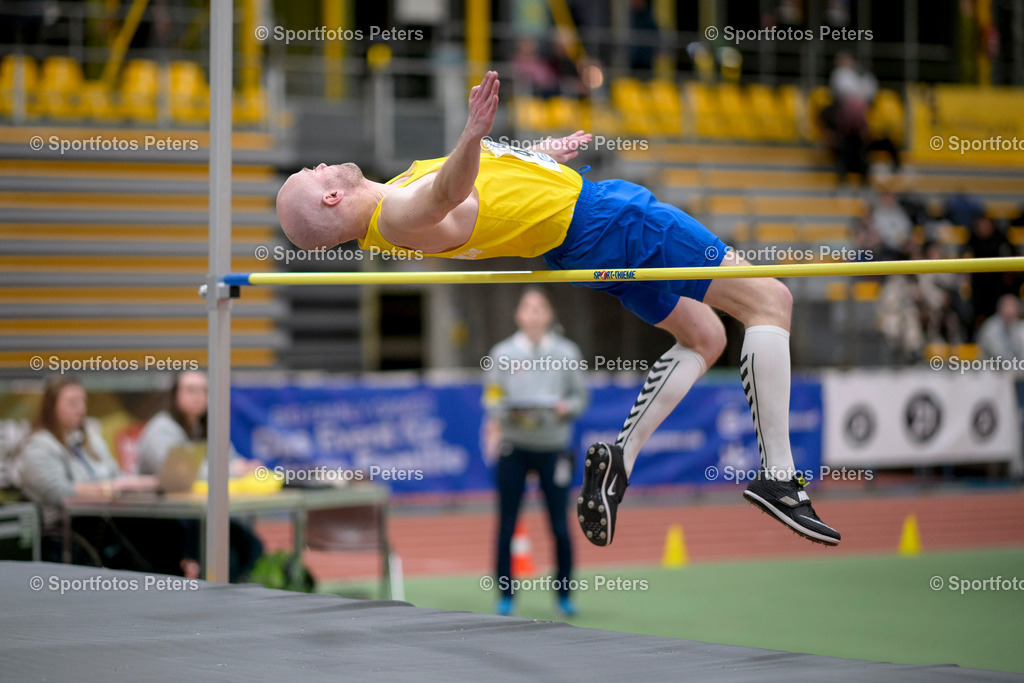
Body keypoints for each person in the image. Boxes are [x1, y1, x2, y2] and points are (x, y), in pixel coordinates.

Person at [275, 71, 841, 548]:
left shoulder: (392, 198)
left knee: (705, 338)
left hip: (576, 241)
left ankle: (621, 458)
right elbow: (448, 193)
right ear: (329, 198)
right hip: (608, 220)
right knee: (771, 299)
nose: (323, 164)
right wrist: (472, 133)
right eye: (314, 173)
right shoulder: (397, 211)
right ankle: (779, 477)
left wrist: (536, 158)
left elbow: (478, 198)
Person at [483, 288, 588, 617]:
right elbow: (491, 397)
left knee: (559, 525)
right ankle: (506, 595)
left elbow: (580, 398)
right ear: (518, 315)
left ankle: (564, 595)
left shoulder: (567, 353)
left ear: (550, 314)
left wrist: (564, 407)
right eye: (527, 307)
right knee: (507, 524)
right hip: (513, 447)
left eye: (540, 307)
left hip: (554, 447)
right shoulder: (501, 353)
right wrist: (506, 411)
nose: (533, 313)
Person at [15, 375, 188, 573]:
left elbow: (116, 475)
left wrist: (147, 483)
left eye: (83, 401)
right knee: (150, 537)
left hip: (106, 519)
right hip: (70, 530)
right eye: (72, 403)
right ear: (51, 406)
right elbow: (60, 493)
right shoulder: (38, 447)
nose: (80, 408)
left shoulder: (89, 438)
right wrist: (107, 488)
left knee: (169, 528)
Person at [136, 370, 264, 582]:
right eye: (191, 390)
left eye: (204, 391)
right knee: (226, 558)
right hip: (163, 519)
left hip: (200, 515)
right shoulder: (161, 430)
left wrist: (244, 466)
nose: (198, 396)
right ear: (175, 394)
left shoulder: (209, 426)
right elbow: (180, 474)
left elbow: (230, 458)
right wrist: (232, 471)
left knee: (251, 547)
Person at [977, 294, 1024, 361]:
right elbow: (997, 353)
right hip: (993, 367)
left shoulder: (1021, 327)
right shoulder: (990, 327)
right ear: (1000, 308)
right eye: (1006, 306)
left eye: (1013, 306)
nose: (1009, 310)